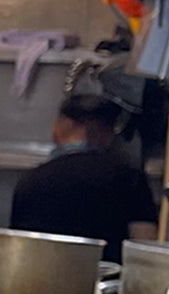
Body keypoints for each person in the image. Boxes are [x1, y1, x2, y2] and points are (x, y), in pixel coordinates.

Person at [11, 94, 160, 259]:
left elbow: (19, 248)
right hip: (107, 280)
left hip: (44, 279)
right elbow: (145, 244)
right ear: (107, 133)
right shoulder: (129, 177)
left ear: (64, 125)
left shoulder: (32, 180)